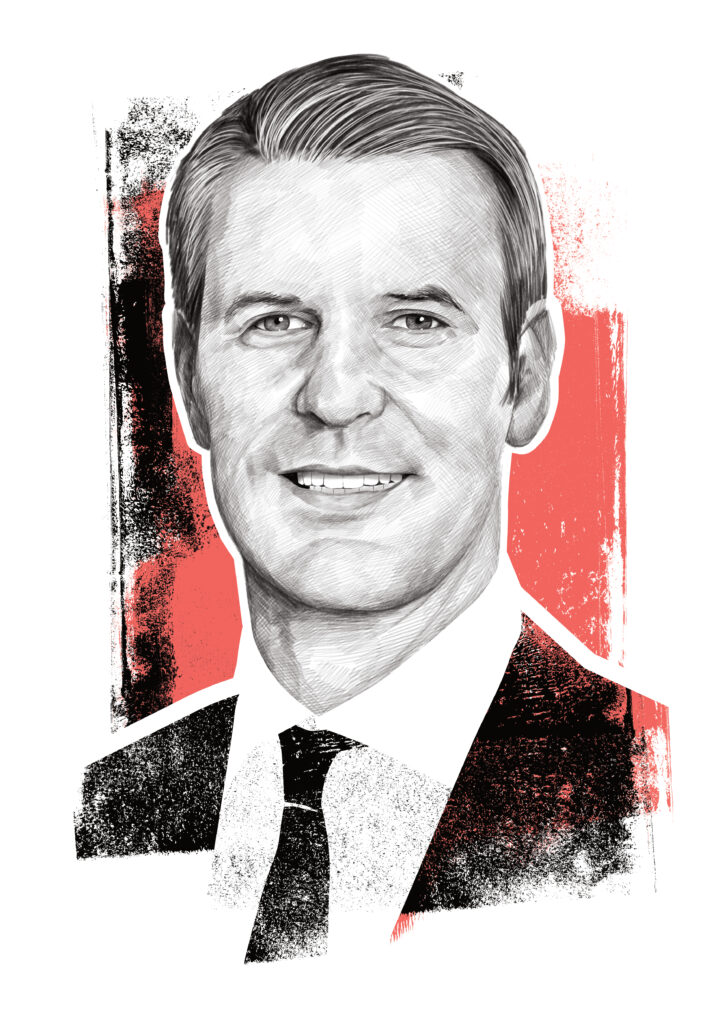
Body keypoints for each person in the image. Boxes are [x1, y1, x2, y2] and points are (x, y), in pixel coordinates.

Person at [75, 54, 671, 964]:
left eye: (415, 321)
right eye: (274, 321)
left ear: (526, 376)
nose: (336, 395)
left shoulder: (673, 810)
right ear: (188, 376)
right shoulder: (80, 830)